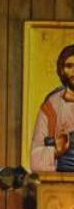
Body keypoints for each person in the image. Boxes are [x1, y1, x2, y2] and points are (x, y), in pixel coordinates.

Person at [30, 44, 74, 172]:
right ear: (61, 70)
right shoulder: (52, 106)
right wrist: (56, 150)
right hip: (61, 182)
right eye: (69, 66)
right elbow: (35, 158)